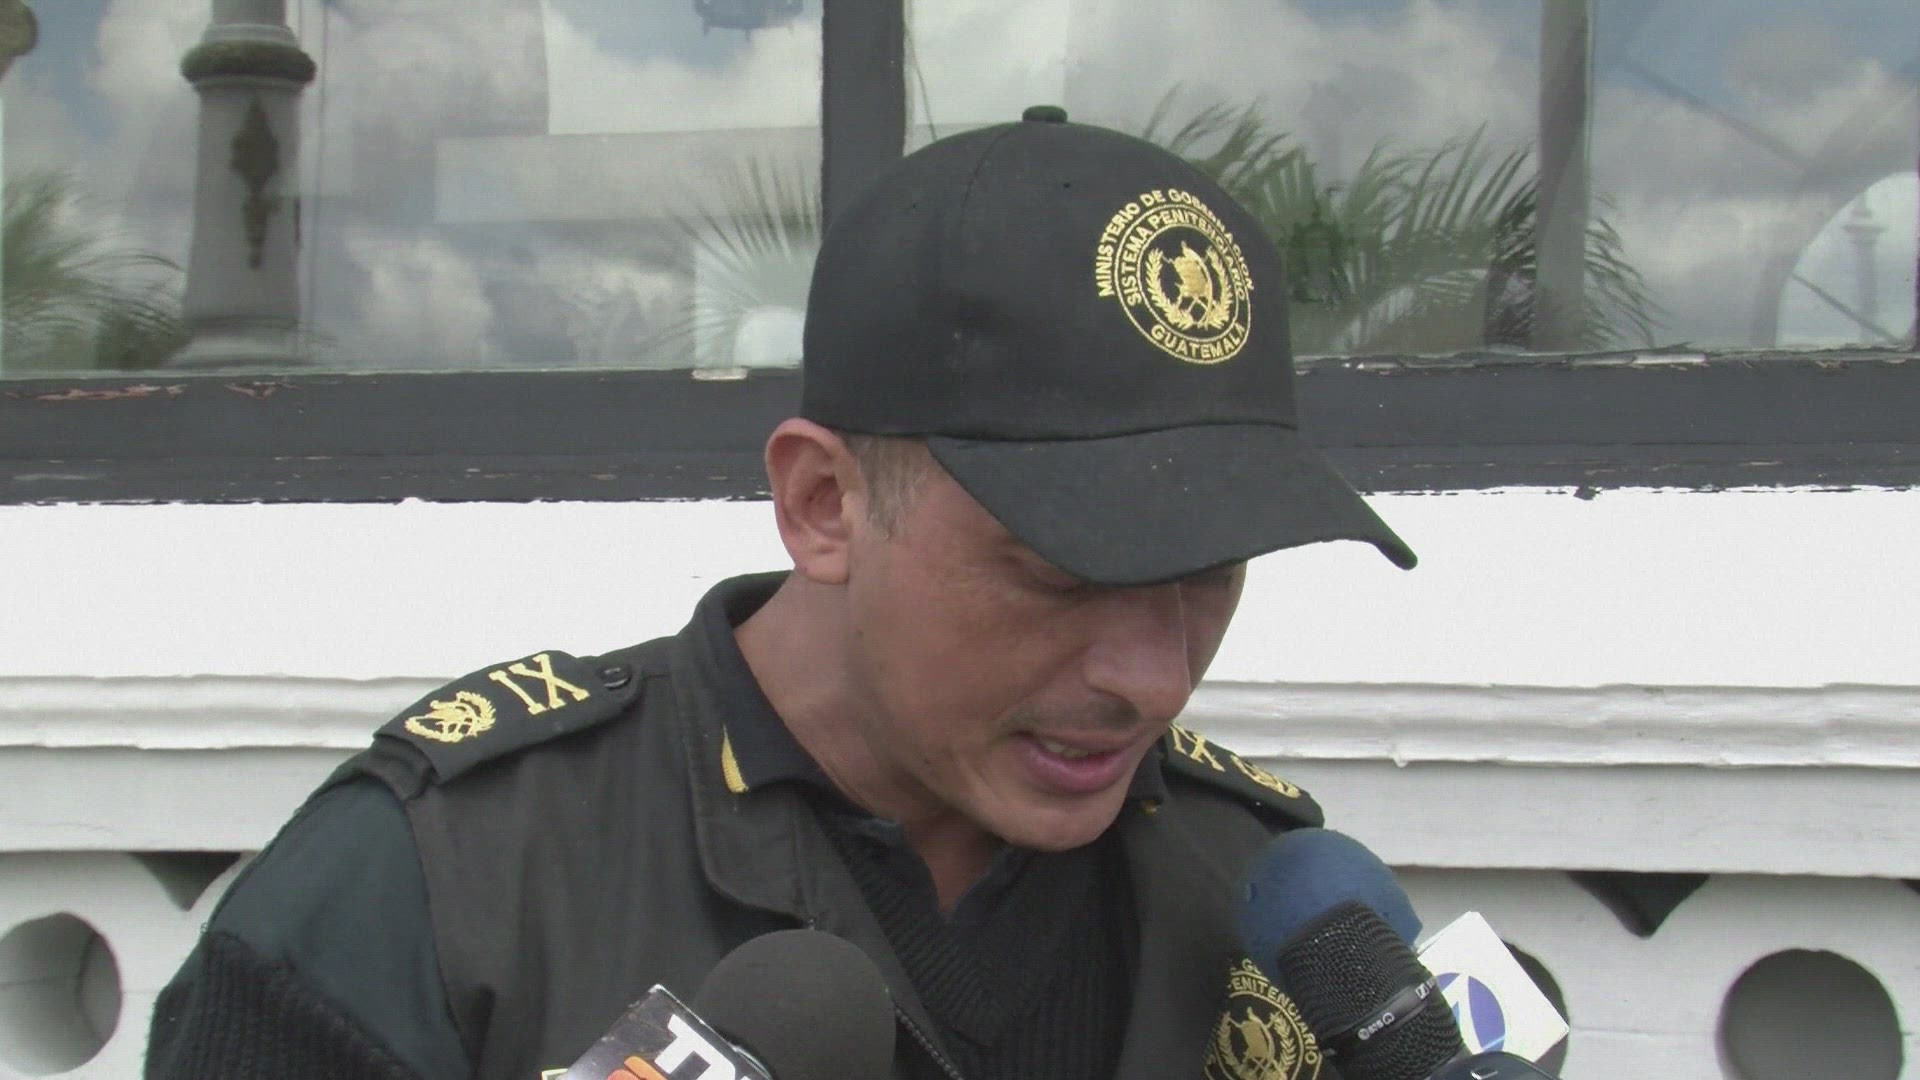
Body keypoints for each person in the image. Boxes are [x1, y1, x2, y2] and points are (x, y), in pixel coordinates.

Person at [145, 105, 1416, 1080]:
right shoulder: (450, 886)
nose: (1153, 677)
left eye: (1211, 570)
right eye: (1066, 569)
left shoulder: (1268, 897)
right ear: (823, 503)